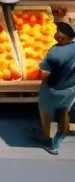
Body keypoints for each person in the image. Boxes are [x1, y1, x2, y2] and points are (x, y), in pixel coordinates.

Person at [30, 21, 75, 155]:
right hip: (71, 90)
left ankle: (46, 136)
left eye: (57, 30)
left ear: (62, 37)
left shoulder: (54, 53)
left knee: (46, 113)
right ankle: (57, 142)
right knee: (64, 113)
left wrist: (39, 66)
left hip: (52, 90)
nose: (55, 32)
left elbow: (44, 75)